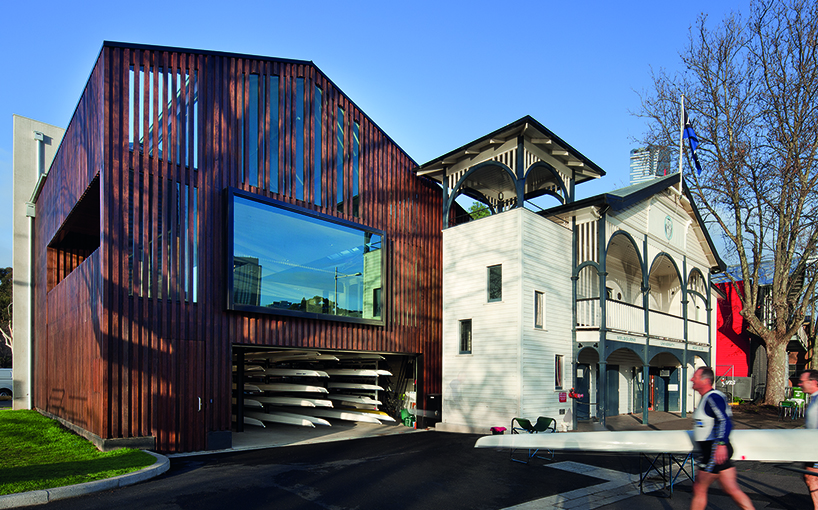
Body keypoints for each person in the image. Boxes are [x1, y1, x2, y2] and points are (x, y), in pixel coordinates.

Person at [690, 366, 755, 510]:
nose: (691, 379)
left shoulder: (713, 397)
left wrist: (720, 444)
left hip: (714, 451)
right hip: (715, 450)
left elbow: (725, 420)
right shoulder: (706, 398)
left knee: (699, 488)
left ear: (705, 380)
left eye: (695, 377)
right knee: (731, 489)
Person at [799, 369, 818, 510]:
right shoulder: (813, 399)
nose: (799, 384)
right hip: (811, 448)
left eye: (802, 381)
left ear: (813, 382)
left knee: (811, 478)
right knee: (809, 477)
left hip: (815, 449)